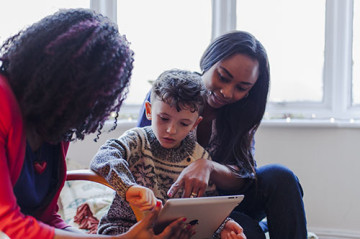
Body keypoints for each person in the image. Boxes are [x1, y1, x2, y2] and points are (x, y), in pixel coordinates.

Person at [0, 8, 191, 239]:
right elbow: (10, 222)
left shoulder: (54, 126)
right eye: (87, 95)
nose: (90, 109)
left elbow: (47, 218)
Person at [137, 31, 307, 239]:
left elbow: (244, 177)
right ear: (209, 61)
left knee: (281, 177)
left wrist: (208, 167)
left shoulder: (242, 112)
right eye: (223, 77)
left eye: (242, 88)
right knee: (247, 231)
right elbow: (141, 158)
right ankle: (257, 227)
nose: (227, 92)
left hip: (226, 201)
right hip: (173, 203)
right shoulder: (170, 94)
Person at [90, 69, 246, 239]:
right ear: (149, 110)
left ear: (195, 124)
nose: (171, 130)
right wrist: (128, 187)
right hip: (124, 229)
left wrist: (222, 225)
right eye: (164, 118)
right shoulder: (137, 140)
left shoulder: (199, 156)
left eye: (184, 123)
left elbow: (206, 208)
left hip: (175, 233)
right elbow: (104, 157)